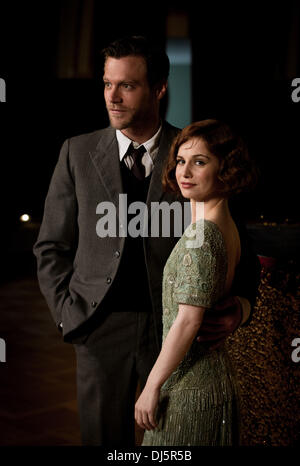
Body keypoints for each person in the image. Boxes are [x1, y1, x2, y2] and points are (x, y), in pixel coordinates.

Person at [33, 36, 260, 447]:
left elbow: (230, 238)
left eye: (128, 85)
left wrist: (242, 306)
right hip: (98, 329)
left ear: (159, 88)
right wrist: (68, 316)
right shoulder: (76, 153)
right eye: (107, 84)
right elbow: (51, 246)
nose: (113, 97)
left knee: (171, 444)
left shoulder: (190, 153)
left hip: (174, 331)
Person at [135, 119, 257, 446]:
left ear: (226, 169)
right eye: (180, 161)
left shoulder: (201, 236)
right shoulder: (222, 224)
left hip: (190, 390)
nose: (185, 171)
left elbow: (188, 320)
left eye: (199, 162)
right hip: (214, 380)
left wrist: (150, 387)